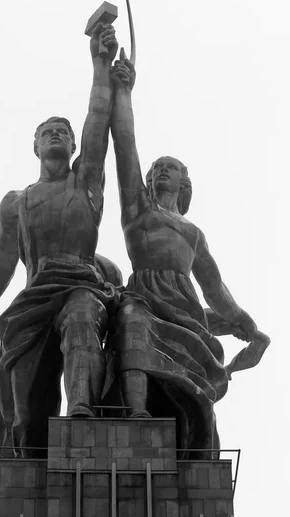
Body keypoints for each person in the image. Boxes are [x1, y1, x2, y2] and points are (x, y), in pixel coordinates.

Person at [0, 24, 121, 457]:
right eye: (48, 132)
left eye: (64, 131)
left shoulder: (86, 182)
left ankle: (81, 410)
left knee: (82, 323)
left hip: (81, 284)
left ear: (75, 145)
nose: (57, 135)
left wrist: (100, 65)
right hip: (32, 300)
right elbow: (1, 263)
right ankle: (32, 459)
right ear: (36, 146)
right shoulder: (15, 203)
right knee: (25, 410)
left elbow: (98, 119)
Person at [109, 53, 268, 455]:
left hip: (187, 312)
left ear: (184, 183)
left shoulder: (194, 233)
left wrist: (240, 320)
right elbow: (125, 146)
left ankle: (191, 427)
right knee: (131, 322)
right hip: (143, 298)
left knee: (196, 360)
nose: (161, 170)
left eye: (170, 167)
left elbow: (214, 288)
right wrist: (123, 92)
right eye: (156, 168)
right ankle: (137, 414)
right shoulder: (138, 213)